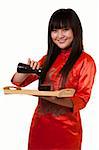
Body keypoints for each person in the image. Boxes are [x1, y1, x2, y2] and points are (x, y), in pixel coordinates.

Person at [11, 8, 96, 150]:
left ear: (75, 30)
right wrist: (28, 69)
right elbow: (17, 82)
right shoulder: (47, 59)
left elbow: (82, 99)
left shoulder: (86, 61)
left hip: (66, 132)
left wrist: (55, 98)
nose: (60, 35)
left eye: (65, 29)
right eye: (55, 30)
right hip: (40, 128)